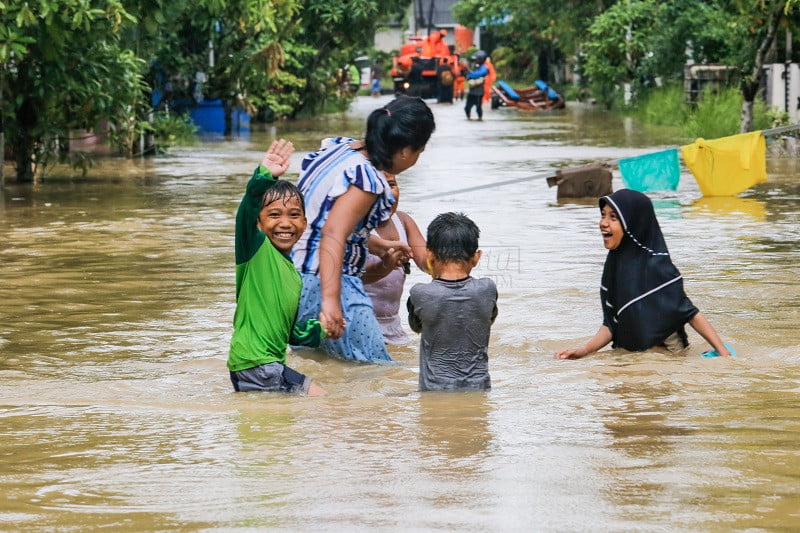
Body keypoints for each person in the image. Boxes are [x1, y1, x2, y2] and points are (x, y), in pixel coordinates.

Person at [293, 96, 436, 362]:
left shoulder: (339, 150)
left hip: (293, 277)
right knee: (376, 373)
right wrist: (332, 301)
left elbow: (324, 218)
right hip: (326, 280)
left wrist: (379, 246)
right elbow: (333, 232)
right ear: (405, 151)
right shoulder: (367, 178)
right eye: (419, 152)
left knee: (327, 370)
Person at [555, 189, 731, 360]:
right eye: (603, 215)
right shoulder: (613, 268)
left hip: (669, 359)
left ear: (633, 223)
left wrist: (722, 351)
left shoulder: (657, 267)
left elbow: (690, 313)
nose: (603, 222)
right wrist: (584, 351)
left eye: (613, 217)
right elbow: (611, 324)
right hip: (631, 354)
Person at [228, 140, 328, 396]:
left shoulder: (294, 276)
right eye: (274, 215)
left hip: (260, 364)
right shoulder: (255, 249)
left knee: (276, 427)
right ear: (259, 223)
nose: (285, 223)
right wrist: (264, 175)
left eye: (294, 215)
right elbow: (246, 209)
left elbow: (291, 333)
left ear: (305, 223)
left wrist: (319, 330)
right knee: (323, 401)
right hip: (256, 361)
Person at [407, 212, 498, 391]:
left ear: (429, 255)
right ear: (476, 257)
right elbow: (489, 319)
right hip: (478, 391)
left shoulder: (420, 293)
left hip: (434, 393)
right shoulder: (487, 289)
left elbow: (416, 327)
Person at [363, 173, 428, 345]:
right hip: (358, 324)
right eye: (377, 188)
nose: (387, 194)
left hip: (393, 326)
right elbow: (350, 275)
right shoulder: (353, 227)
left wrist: (453, 256)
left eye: (391, 185)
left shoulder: (403, 221)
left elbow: (427, 261)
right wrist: (386, 265)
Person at [464, 50, 489, 120]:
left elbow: (476, 74)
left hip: (479, 92)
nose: (476, 60)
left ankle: (480, 118)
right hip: (472, 91)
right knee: (467, 108)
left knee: (478, 108)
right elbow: (469, 76)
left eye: (477, 59)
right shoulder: (474, 66)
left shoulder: (484, 68)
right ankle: (469, 118)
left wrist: (470, 73)